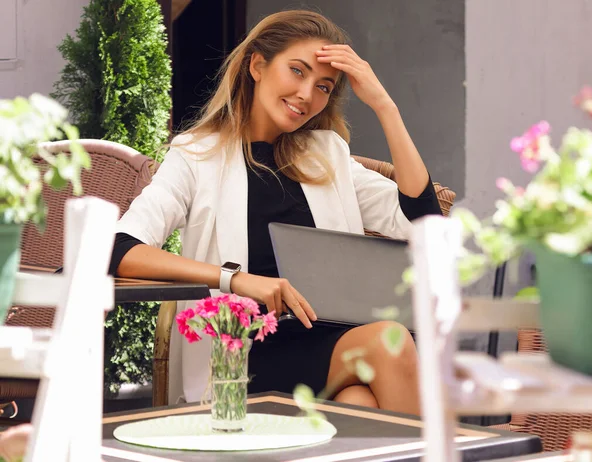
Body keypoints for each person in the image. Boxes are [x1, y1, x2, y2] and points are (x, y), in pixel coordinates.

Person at [110, 10, 442, 415]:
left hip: (332, 340)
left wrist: (385, 106)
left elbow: (423, 224)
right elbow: (120, 248)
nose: (307, 94)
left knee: (360, 403)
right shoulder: (196, 155)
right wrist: (235, 280)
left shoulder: (327, 153)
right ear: (257, 65)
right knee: (387, 342)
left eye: (323, 86)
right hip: (244, 352)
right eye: (297, 71)